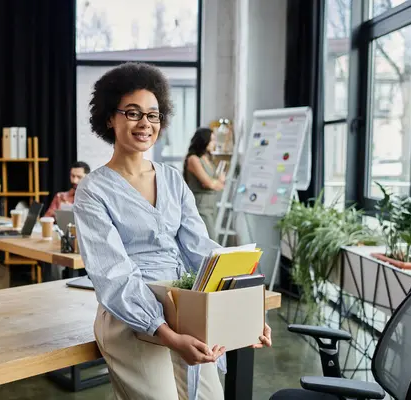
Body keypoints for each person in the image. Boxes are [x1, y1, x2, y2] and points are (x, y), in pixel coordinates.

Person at [73, 62, 272, 400]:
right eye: (133, 113)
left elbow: (202, 252)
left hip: (185, 306)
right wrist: (166, 333)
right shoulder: (93, 190)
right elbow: (114, 276)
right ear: (110, 117)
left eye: (153, 115)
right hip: (130, 317)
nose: (144, 124)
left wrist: (247, 313)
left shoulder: (171, 179)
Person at [183, 128, 225, 239]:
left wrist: (215, 183)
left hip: (212, 204)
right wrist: (215, 183)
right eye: (212, 140)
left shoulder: (207, 158)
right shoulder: (193, 159)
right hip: (201, 205)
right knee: (211, 240)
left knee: (213, 238)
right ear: (203, 141)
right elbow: (208, 183)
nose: (214, 143)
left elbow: (219, 184)